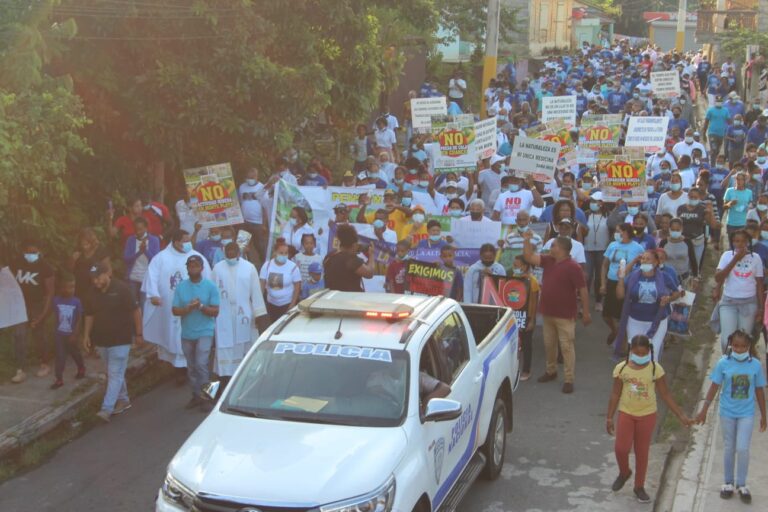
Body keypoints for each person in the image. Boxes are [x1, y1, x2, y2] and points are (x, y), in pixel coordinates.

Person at [606, 335, 691, 504]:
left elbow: (665, 394)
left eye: (643, 353)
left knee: (642, 452)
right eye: (636, 353)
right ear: (630, 351)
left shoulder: (655, 369)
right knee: (621, 449)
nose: (640, 356)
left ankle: (639, 486)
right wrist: (609, 417)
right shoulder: (622, 369)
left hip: (647, 415)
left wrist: (681, 414)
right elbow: (615, 393)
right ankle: (624, 472)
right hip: (626, 413)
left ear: (649, 352)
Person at [695, 330, 767, 504]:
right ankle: (728, 482)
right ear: (730, 345)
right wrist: (704, 409)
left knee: (742, 448)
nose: (739, 349)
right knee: (729, 447)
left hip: (746, 413)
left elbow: (759, 390)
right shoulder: (723, 363)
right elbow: (714, 386)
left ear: (749, 346)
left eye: (743, 346)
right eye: (736, 346)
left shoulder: (755, 365)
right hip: (727, 412)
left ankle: (742, 484)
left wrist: (764, 415)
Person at [522, 232, 591, 394]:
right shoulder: (548, 260)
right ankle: (551, 370)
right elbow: (528, 256)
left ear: (561, 248)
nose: (550, 247)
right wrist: (526, 240)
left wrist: (586, 312)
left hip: (565, 314)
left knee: (566, 347)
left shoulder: (574, 267)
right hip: (548, 312)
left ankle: (569, 379)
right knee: (549, 344)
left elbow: (583, 289)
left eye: (553, 245)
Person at [142, 229, 211, 369]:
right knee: (173, 336)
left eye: (189, 240)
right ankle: (177, 368)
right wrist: (154, 294)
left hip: (193, 306)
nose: (188, 244)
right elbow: (152, 277)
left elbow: (208, 280)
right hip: (169, 307)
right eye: (185, 241)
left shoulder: (197, 257)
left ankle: (192, 365)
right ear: (176, 242)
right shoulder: (161, 258)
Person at [83, 263, 143, 422]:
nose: (96, 282)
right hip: (102, 341)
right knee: (113, 373)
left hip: (121, 339)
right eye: (93, 279)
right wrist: (86, 336)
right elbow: (89, 315)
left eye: (98, 278)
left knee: (115, 372)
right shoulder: (91, 293)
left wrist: (138, 334)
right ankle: (123, 399)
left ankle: (106, 409)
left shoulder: (122, 289)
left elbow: (135, 311)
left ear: (107, 274)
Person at [211, 243, 268, 392]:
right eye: (228, 251)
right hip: (223, 312)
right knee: (225, 345)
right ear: (224, 252)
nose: (230, 253)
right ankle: (224, 379)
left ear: (238, 252)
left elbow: (256, 292)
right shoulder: (217, 268)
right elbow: (212, 291)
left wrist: (258, 315)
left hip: (244, 311)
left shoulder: (249, 268)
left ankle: (245, 379)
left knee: (243, 344)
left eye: (233, 251)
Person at [172, 254, 220, 411]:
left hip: (205, 331)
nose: (193, 269)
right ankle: (196, 395)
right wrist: (188, 308)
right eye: (190, 266)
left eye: (195, 266)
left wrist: (200, 307)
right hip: (187, 333)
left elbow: (215, 311)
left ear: (202, 268)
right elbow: (175, 310)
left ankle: (207, 397)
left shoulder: (210, 286)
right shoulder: (181, 287)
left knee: (201, 364)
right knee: (191, 367)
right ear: (187, 269)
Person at [614, 250, 681, 361]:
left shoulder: (664, 277)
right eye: (643, 259)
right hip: (635, 320)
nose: (644, 261)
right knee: (634, 354)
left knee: (652, 353)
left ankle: (651, 377)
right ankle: (635, 378)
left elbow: (676, 293)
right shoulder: (633, 276)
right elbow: (620, 296)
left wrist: (668, 298)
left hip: (657, 321)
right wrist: (621, 279)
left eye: (648, 259)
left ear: (655, 263)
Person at [10, 240, 55, 383]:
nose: (31, 255)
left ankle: (44, 363)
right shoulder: (17, 263)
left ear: (39, 252)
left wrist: (42, 315)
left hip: (37, 305)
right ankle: (20, 369)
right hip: (20, 304)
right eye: (28, 252)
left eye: (34, 252)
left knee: (38, 334)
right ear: (23, 252)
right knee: (19, 335)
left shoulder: (45, 267)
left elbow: (49, 293)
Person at [714, 230, 764, 351]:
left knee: (744, 339)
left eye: (743, 241)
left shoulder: (756, 258)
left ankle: (741, 365)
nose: (740, 244)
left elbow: (759, 284)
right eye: (737, 241)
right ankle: (727, 365)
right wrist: (735, 259)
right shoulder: (727, 256)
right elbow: (718, 277)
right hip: (729, 302)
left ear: (748, 242)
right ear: (732, 242)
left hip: (749, 303)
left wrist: (761, 307)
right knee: (727, 339)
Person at [601, 223, 645, 346]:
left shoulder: (637, 248)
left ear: (626, 232)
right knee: (606, 315)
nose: (616, 233)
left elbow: (643, 265)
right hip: (612, 281)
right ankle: (615, 331)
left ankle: (624, 343)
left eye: (618, 231)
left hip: (626, 283)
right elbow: (605, 265)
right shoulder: (612, 245)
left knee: (622, 315)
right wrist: (603, 283)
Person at [49, 274, 86, 389]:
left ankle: (81, 367)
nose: (70, 290)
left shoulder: (76, 301)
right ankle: (59, 379)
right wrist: (53, 330)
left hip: (71, 334)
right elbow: (54, 316)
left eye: (73, 287)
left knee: (75, 353)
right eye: (67, 287)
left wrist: (75, 334)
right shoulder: (56, 300)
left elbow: (80, 318)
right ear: (61, 288)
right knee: (60, 356)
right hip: (59, 334)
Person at [510, 255, 539, 382]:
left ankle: (526, 370)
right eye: (514, 265)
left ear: (525, 266)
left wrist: (532, 320)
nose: (514, 268)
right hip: (514, 316)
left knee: (527, 345)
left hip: (526, 317)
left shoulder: (532, 281)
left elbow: (534, 301)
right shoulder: (512, 278)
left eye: (517, 266)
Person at [259, 239, 301, 323]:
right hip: (271, 304)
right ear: (275, 252)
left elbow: (297, 287)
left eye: (286, 253)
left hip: (287, 304)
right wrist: (260, 304)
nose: (284, 255)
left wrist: (292, 305)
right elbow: (262, 286)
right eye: (281, 253)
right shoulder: (267, 266)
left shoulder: (293, 267)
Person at [324, 224, 375, 292]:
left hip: (332, 297)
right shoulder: (351, 260)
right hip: (349, 299)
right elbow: (369, 273)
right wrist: (371, 255)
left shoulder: (329, 256)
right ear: (354, 245)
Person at [123, 217, 160, 304]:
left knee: (144, 304)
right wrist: (139, 253)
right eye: (136, 229)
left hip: (146, 278)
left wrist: (145, 251)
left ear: (146, 228)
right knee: (132, 304)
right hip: (133, 277)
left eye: (140, 229)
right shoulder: (130, 240)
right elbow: (126, 259)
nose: (138, 232)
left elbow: (156, 261)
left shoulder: (154, 240)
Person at [584, 192, 610, 311]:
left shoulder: (608, 216)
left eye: (595, 201)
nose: (592, 204)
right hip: (587, 249)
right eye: (591, 201)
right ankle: (584, 302)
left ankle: (599, 301)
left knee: (600, 276)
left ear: (601, 203)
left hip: (602, 250)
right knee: (587, 276)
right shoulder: (586, 215)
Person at [69, 227, 111, 301]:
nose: (84, 247)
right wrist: (73, 260)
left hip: (94, 286)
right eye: (83, 244)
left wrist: (101, 283)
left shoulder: (101, 252)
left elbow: (108, 271)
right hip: (79, 286)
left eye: (87, 244)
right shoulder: (78, 251)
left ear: (92, 242)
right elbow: (70, 270)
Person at [238, 167, 269, 263]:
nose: (249, 179)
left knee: (260, 246)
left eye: (252, 177)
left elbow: (265, 207)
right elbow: (240, 203)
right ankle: (244, 263)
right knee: (241, 245)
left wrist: (264, 224)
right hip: (244, 222)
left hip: (258, 223)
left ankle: (264, 264)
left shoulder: (262, 187)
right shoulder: (242, 187)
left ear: (256, 176)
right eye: (248, 177)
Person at [659, 219, 699, 283]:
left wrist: (695, 277)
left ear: (682, 229)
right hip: (666, 277)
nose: (675, 232)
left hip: (684, 277)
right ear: (669, 229)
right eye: (673, 229)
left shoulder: (687, 242)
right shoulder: (664, 242)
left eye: (677, 230)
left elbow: (693, 259)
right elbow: (659, 259)